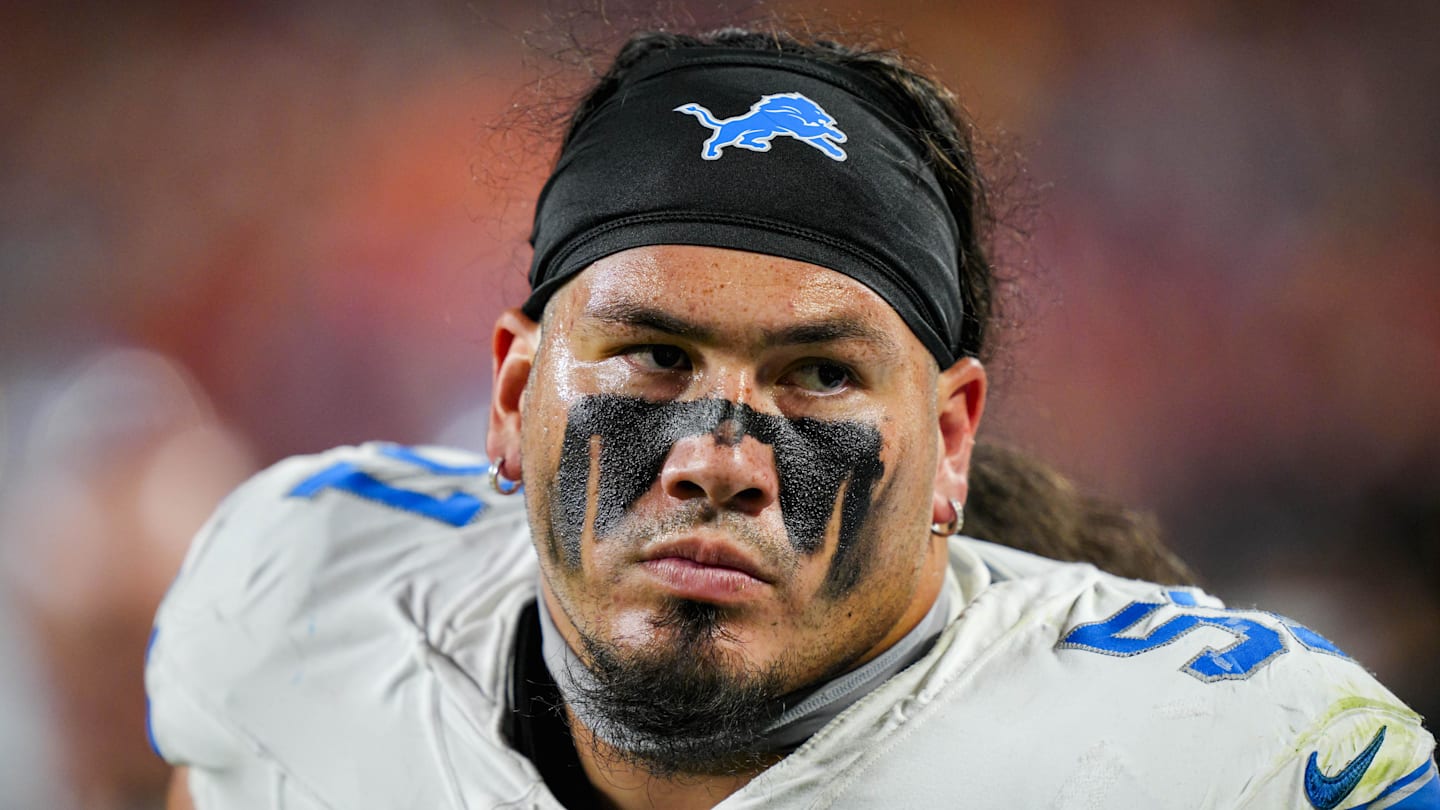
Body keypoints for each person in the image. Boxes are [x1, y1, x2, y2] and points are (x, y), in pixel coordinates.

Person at [146, 27, 1437, 809]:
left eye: (818, 376)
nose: (718, 461)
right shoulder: (307, 594)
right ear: (512, 394)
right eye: (653, 355)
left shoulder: (1220, 757)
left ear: (951, 438)